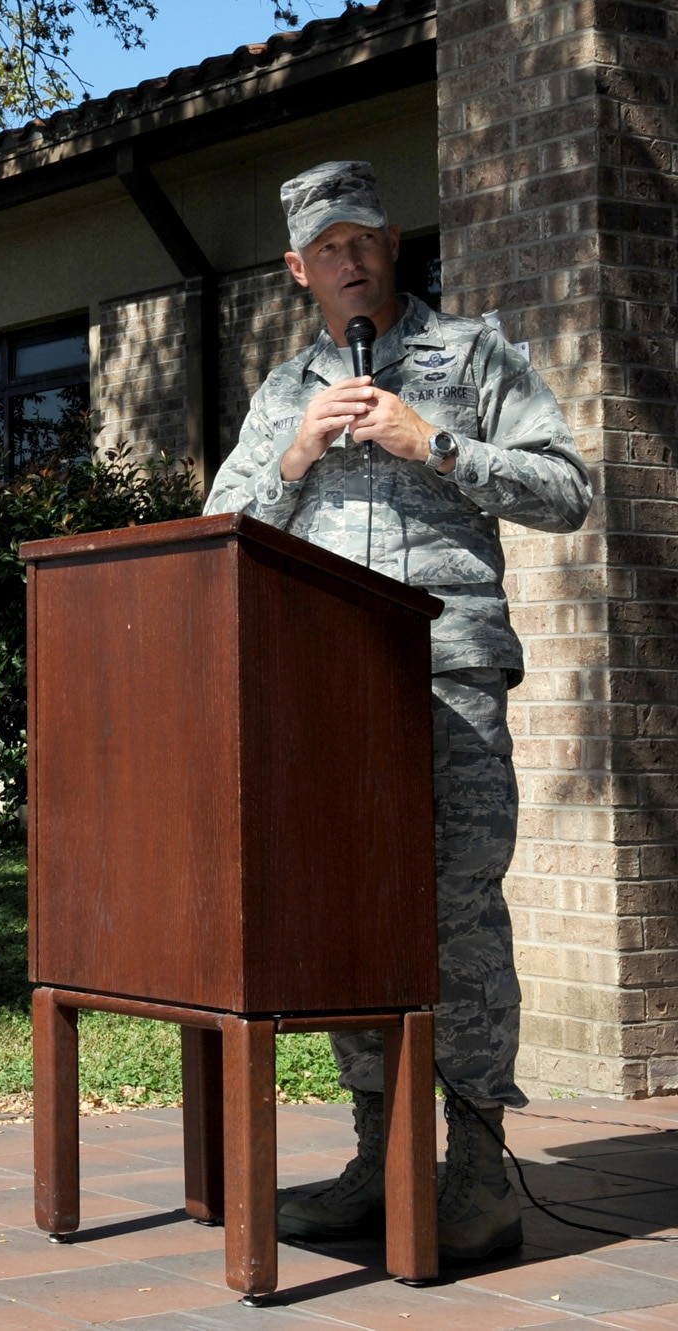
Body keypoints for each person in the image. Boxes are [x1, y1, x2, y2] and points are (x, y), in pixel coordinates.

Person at [205, 161, 591, 1263]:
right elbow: (217, 522)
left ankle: (476, 1164)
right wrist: (293, 454)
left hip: (447, 673)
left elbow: (565, 488)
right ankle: (378, 1155)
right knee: (346, 917)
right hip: (323, 689)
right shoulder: (284, 389)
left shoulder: (470, 356)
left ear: (390, 243)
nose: (350, 257)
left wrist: (436, 443)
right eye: (327, 245)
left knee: (454, 913)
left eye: (364, 236)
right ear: (297, 269)